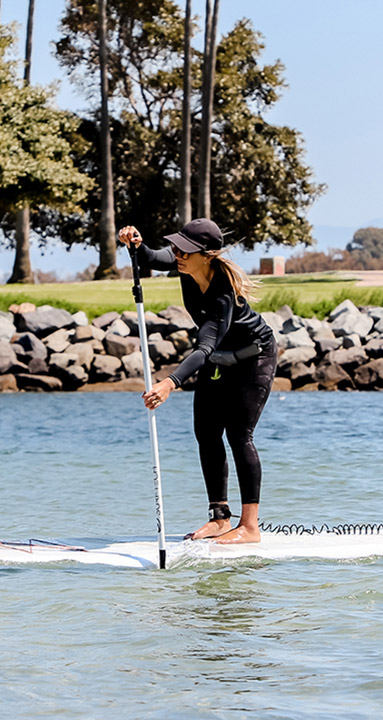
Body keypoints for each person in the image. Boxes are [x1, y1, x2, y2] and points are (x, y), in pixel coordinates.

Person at [118, 218, 277, 544]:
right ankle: (220, 518)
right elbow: (149, 257)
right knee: (206, 431)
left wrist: (169, 383)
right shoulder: (185, 267)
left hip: (253, 359)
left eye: (184, 250)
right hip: (220, 359)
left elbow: (204, 347)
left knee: (238, 434)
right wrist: (135, 242)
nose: (177, 254)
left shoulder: (222, 296)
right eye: (176, 247)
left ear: (206, 254)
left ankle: (249, 527)